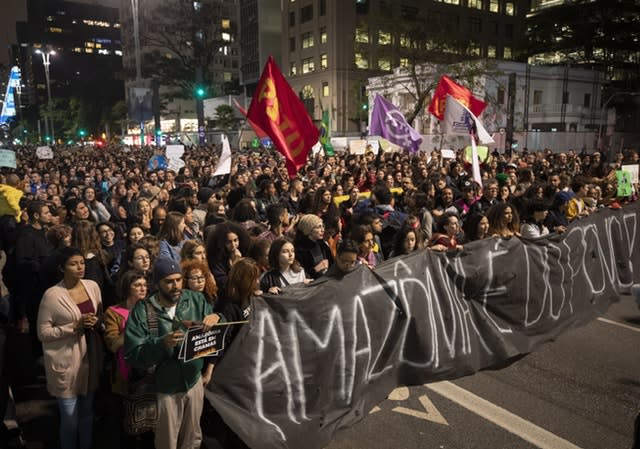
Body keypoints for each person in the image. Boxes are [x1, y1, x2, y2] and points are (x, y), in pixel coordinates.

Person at [124, 257, 221, 449]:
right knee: (167, 442)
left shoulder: (195, 299)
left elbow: (218, 329)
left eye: (178, 279)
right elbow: (133, 354)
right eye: (168, 281)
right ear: (157, 283)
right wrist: (162, 344)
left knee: (193, 439)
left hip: (194, 383)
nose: (175, 285)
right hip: (164, 389)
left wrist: (217, 316)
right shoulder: (143, 311)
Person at [37, 247, 104, 449]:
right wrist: (72, 327)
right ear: (61, 267)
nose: (79, 267)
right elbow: (43, 333)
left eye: (81, 262)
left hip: (90, 356)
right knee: (70, 419)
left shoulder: (92, 286)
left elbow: (100, 315)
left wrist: (96, 321)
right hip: (66, 363)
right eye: (73, 264)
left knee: (87, 414)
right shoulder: (52, 295)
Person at [102, 270, 151, 449]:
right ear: (126, 287)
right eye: (137, 285)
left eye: (145, 285)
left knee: (149, 423)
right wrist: (131, 326)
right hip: (125, 375)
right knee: (127, 425)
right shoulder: (113, 312)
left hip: (149, 374)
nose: (142, 288)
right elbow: (113, 345)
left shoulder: (151, 309)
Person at [294, 214, 334, 279]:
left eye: (322, 226)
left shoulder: (322, 244)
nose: (322, 230)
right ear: (308, 230)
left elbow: (332, 263)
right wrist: (316, 269)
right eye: (318, 227)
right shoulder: (300, 249)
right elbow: (300, 275)